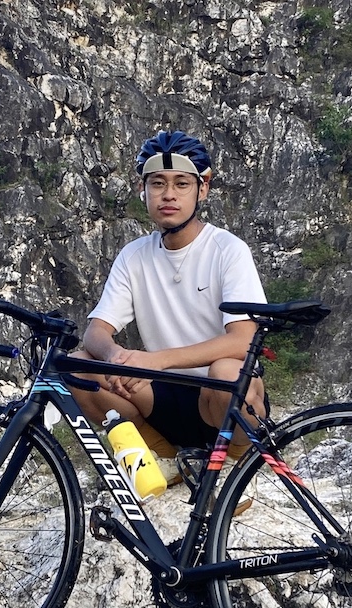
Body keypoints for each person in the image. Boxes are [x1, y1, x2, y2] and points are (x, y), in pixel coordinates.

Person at [70, 130, 268, 464]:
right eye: (158, 183)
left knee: (226, 372)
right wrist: (120, 358)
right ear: (142, 190)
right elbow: (96, 331)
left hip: (221, 400)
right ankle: (162, 460)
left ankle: (237, 466)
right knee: (77, 365)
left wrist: (156, 361)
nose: (168, 195)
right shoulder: (134, 256)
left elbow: (245, 341)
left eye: (181, 183)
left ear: (202, 189)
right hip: (160, 396)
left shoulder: (227, 250)